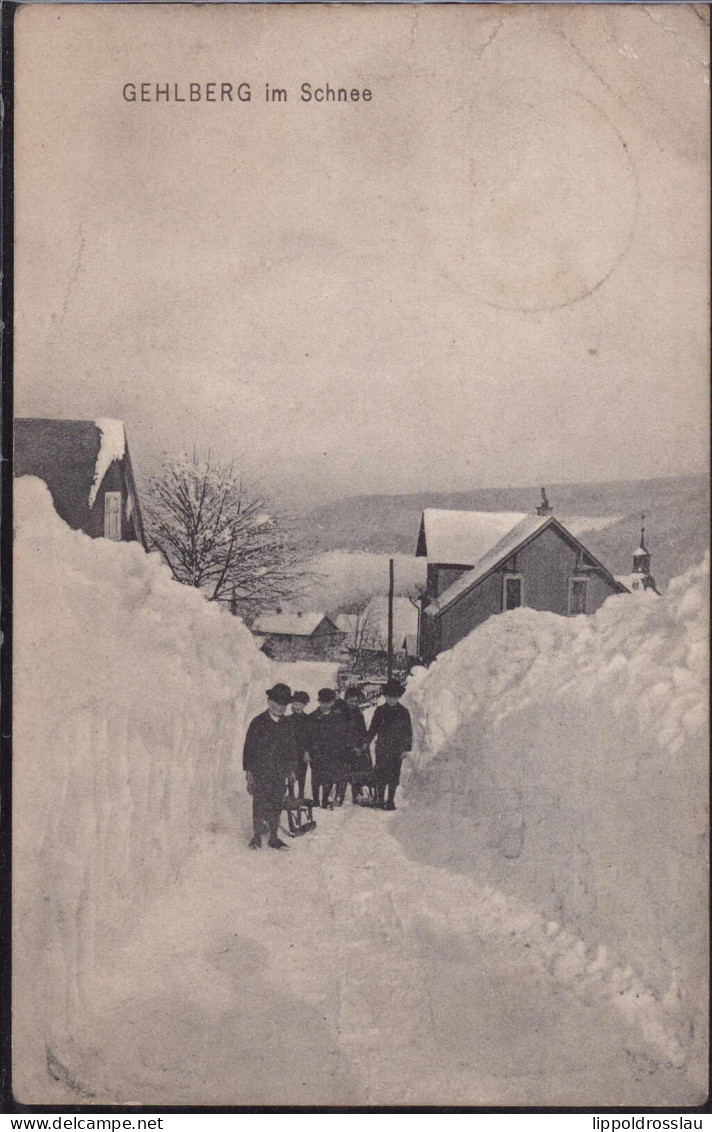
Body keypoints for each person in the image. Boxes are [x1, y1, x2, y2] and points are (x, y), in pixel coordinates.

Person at [243, 683, 298, 850]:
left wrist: (292, 769)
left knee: (276, 802)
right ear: (269, 701)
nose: (280, 708)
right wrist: (249, 770)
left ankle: (274, 837)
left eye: (284, 704)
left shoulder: (288, 724)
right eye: (276, 703)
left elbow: (292, 748)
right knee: (259, 802)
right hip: (260, 770)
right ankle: (256, 836)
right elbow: (249, 747)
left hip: (279, 771)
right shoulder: (258, 722)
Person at [365, 680, 412, 810]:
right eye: (389, 697)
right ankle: (380, 800)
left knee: (394, 775)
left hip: (397, 749)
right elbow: (373, 728)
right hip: (382, 748)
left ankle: (390, 801)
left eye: (395, 697)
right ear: (385, 696)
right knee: (380, 773)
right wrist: (366, 742)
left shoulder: (403, 712)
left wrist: (406, 749)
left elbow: (408, 731)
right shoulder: (380, 711)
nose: (392, 699)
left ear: (399, 697)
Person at [308, 688, 351, 808]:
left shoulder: (339, 717)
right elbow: (308, 736)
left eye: (329, 702)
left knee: (328, 777)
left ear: (333, 702)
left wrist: (341, 749)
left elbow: (344, 735)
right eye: (323, 702)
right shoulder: (312, 717)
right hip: (316, 752)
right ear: (319, 701)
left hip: (332, 753)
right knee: (315, 777)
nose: (325, 704)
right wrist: (308, 751)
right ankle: (316, 801)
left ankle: (325, 800)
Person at [341, 686, 372, 804]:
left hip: (357, 747)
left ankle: (357, 792)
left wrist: (363, 745)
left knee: (358, 769)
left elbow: (362, 731)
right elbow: (341, 733)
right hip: (345, 748)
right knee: (344, 771)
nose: (353, 704)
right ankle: (340, 794)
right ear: (346, 700)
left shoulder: (359, 714)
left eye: (355, 701)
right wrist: (350, 746)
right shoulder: (341, 713)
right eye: (351, 701)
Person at [289, 691, 311, 799]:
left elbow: (309, 737)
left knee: (302, 772)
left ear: (304, 705)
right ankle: (291, 793)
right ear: (292, 704)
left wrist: (307, 751)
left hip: (302, 751)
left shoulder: (308, 719)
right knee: (290, 772)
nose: (297, 706)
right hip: (291, 751)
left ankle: (301, 793)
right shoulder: (288, 720)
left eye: (300, 704)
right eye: (295, 704)